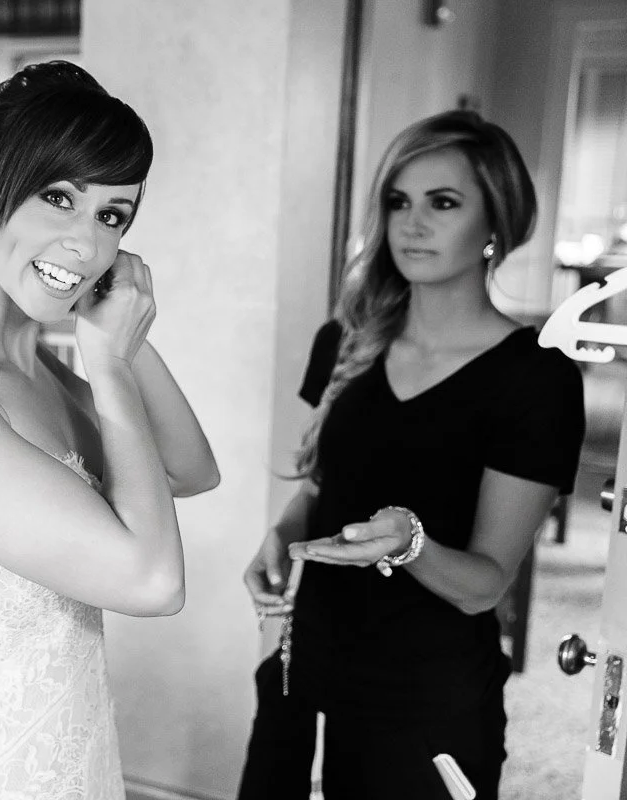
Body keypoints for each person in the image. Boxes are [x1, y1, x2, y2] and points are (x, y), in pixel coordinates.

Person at [0, 60, 219, 799]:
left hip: (75, 757)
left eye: (111, 216)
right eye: (59, 198)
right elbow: (151, 580)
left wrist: (125, 341)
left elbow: (188, 470)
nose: (86, 247)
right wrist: (109, 364)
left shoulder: (37, 371)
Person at [238, 109, 585, 799]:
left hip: (427, 695)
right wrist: (281, 534)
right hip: (305, 664)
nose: (412, 223)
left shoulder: (534, 381)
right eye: (398, 201)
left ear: (496, 225)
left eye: (443, 203)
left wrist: (409, 543)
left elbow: (487, 582)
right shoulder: (344, 340)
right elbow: (325, 485)